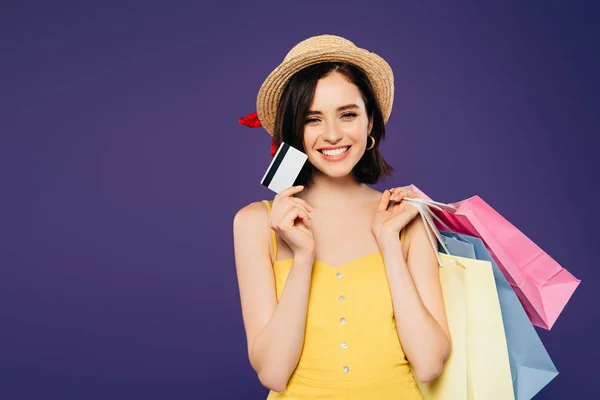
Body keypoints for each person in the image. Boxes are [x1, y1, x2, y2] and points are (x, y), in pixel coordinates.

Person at [233, 34, 451, 399]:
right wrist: (302, 256)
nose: (332, 135)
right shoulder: (256, 223)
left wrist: (389, 244)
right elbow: (272, 373)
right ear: (294, 132)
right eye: (312, 119)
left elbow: (428, 364)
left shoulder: (405, 218)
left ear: (369, 123)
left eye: (347, 114)